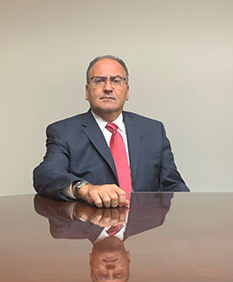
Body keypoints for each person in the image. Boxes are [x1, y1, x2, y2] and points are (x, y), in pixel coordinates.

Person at [33, 55, 189, 208]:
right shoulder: (64, 132)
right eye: (99, 80)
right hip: (91, 226)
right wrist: (85, 189)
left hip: (143, 228)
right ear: (87, 92)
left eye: (116, 81)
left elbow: (173, 186)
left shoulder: (153, 130)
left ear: (126, 92)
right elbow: (45, 174)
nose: (108, 88)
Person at [34, 193, 172, 282]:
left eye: (103, 275)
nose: (110, 269)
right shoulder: (153, 217)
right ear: (128, 258)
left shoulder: (65, 228)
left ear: (90, 260)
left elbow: (41, 202)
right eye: (118, 274)